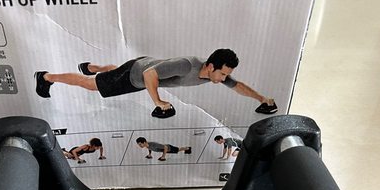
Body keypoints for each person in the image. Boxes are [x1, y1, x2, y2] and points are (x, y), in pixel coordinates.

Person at [34, 49, 277, 116]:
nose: (224, 79)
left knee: (113, 71)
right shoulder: (187, 66)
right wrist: (158, 102)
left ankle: (92, 67)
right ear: (211, 66)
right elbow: (150, 75)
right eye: (223, 74)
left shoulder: (212, 74)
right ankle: (46, 77)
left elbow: (238, 86)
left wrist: (262, 99)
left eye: (226, 75)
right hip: (135, 76)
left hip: (139, 64)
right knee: (90, 85)